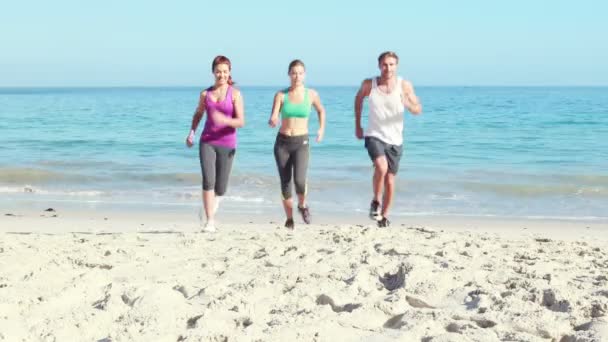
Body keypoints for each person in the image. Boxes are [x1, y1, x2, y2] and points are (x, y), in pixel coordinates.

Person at [354, 51, 422, 228]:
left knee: (390, 180)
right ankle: (376, 201)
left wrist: (407, 104)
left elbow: (418, 109)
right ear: (379, 66)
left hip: (395, 139)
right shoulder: (370, 84)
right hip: (374, 135)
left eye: (391, 64)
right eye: (385, 64)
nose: (388, 68)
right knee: (381, 166)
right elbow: (358, 99)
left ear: (396, 66)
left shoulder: (404, 85)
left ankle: (383, 216)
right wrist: (358, 125)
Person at [186, 55, 245, 232]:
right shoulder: (206, 94)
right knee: (208, 181)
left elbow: (241, 121)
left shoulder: (235, 94)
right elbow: (198, 114)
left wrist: (225, 120)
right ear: (213, 72)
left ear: (229, 72)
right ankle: (210, 221)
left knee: (221, 187)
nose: (222, 75)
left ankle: (211, 205)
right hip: (207, 141)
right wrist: (191, 133)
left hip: (227, 144)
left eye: (225, 71)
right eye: (218, 71)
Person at [268, 59, 326, 229]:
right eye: (294, 73)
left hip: (301, 142)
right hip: (282, 143)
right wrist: (273, 119)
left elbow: (321, 110)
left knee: (299, 181)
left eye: (300, 73)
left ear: (304, 75)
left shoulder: (311, 94)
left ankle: (302, 205)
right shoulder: (280, 95)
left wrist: (321, 129)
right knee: (285, 182)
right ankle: (289, 219)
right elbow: (274, 115)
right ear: (289, 74)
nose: (297, 76)